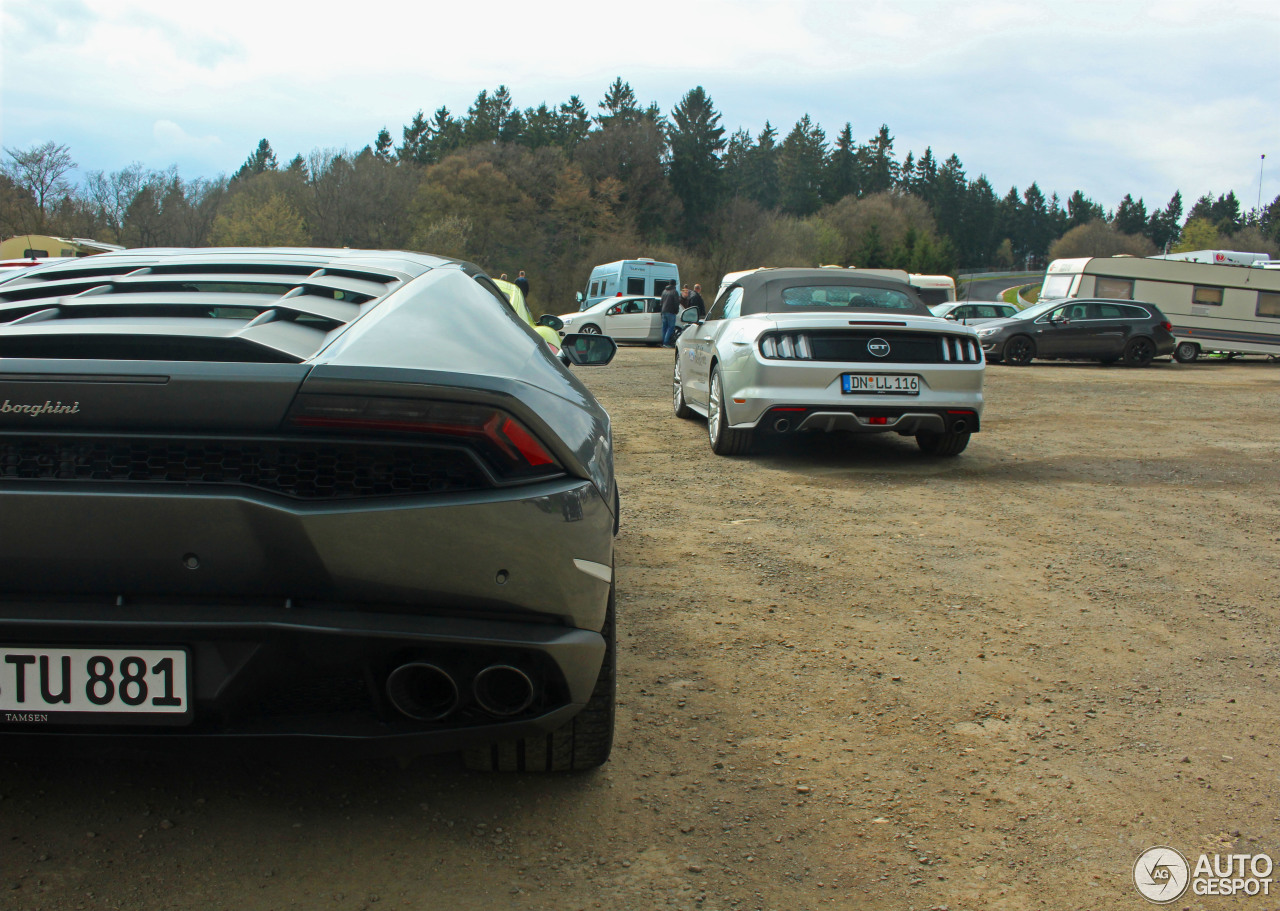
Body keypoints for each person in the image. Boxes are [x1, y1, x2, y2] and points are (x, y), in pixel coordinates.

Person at [659, 280, 682, 347]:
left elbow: (661, 302)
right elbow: (676, 303)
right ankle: (666, 342)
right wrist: (676, 311)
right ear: (674, 284)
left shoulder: (664, 291)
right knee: (670, 327)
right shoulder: (674, 292)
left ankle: (663, 342)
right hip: (671, 312)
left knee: (664, 327)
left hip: (664, 311)